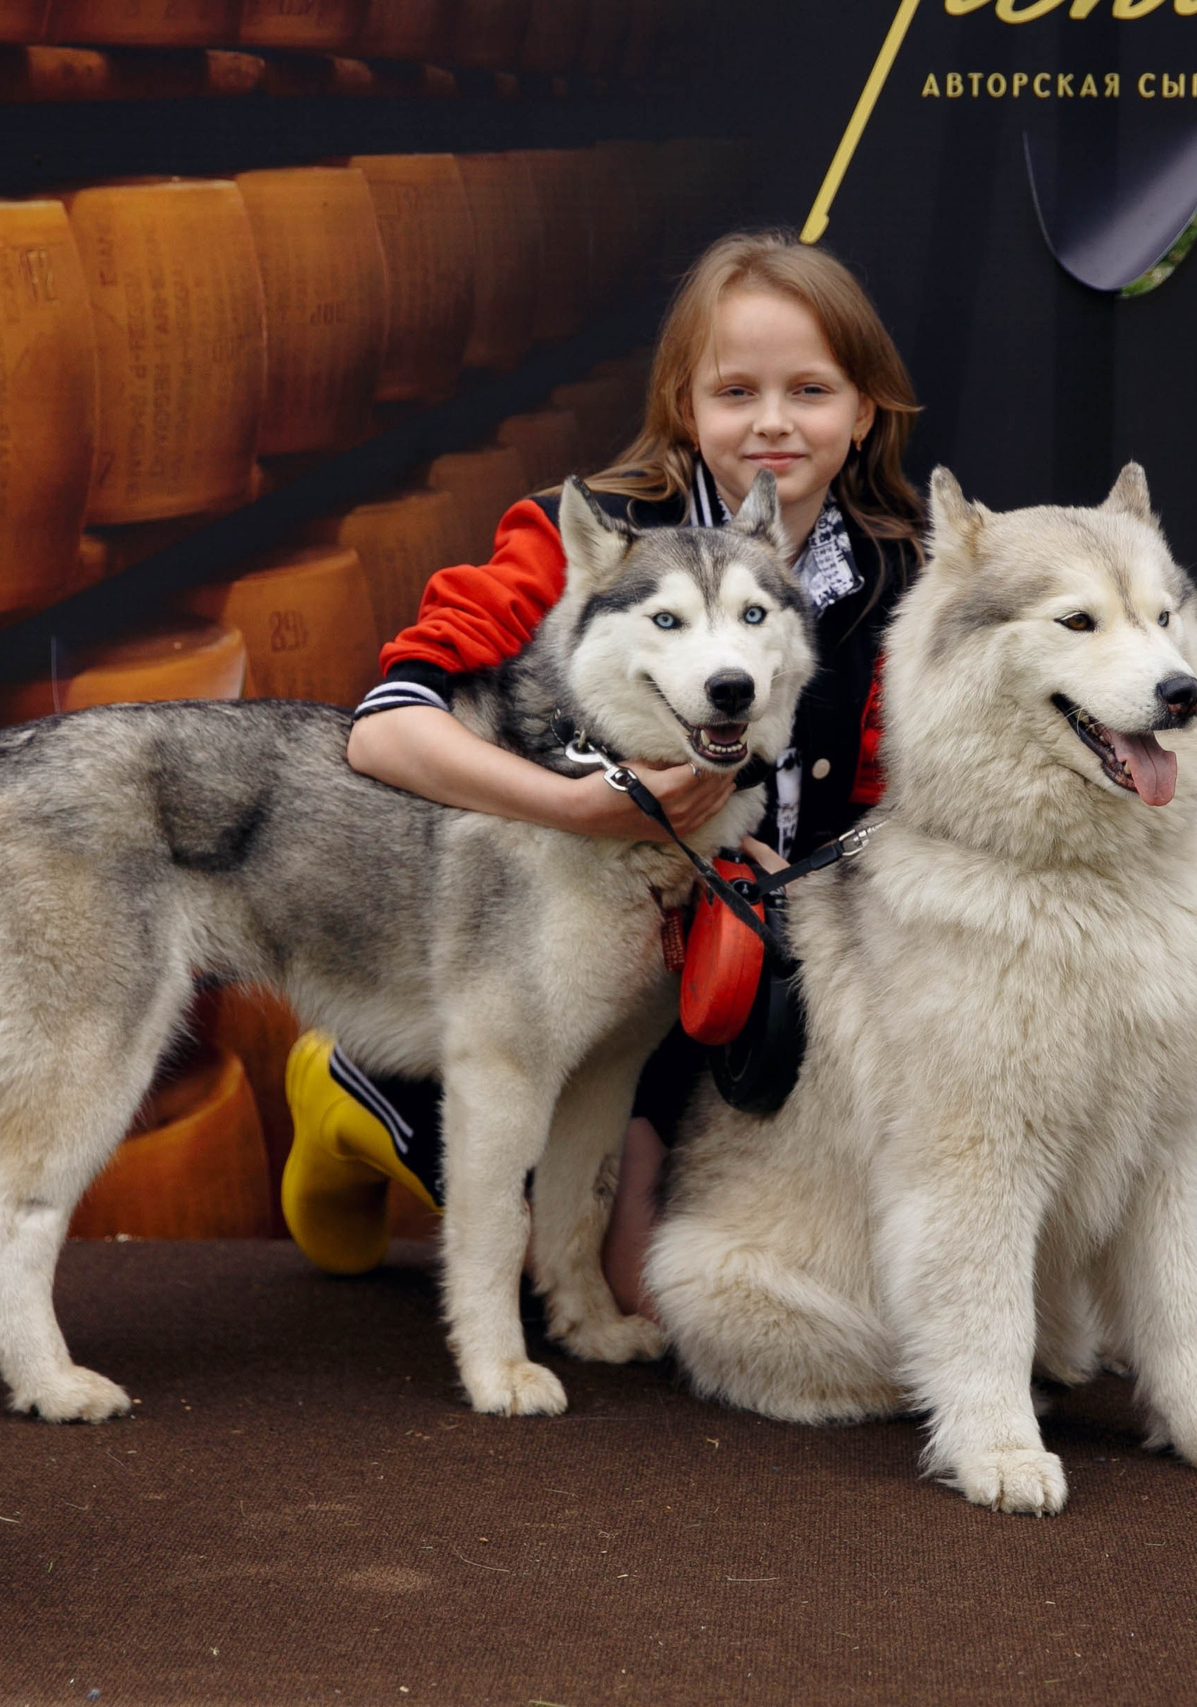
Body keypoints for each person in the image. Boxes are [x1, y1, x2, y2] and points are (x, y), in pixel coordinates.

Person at [279, 230, 923, 1314]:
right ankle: (361, 1088)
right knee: (616, 1289)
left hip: (757, 974)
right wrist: (589, 808)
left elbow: (900, 801)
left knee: (704, 1293)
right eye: (736, 391)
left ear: (863, 412)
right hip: (569, 947)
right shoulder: (577, 541)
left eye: (810, 389)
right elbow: (384, 733)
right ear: (684, 406)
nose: (772, 422)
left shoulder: (908, 578)